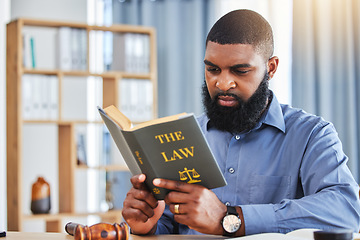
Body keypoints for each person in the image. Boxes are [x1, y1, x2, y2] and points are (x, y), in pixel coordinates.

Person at [122, 9, 360, 237]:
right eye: (213, 69)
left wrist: (231, 219)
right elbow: (169, 224)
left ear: (271, 67)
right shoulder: (181, 137)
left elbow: (346, 211)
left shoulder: (311, 134)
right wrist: (148, 224)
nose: (223, 83)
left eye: (240, 71)